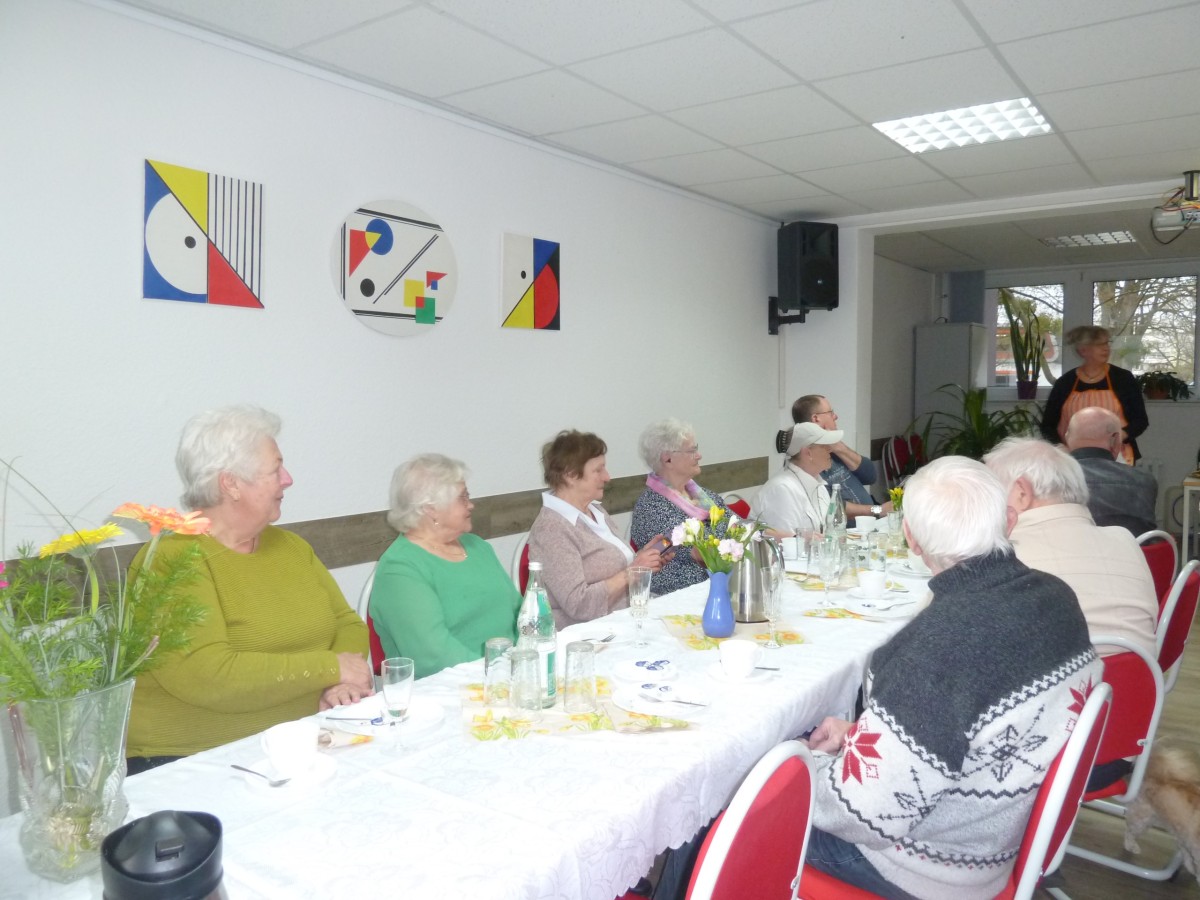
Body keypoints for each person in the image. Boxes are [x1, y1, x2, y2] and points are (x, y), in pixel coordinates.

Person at [804, 456, 1102, 899]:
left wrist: (799, 766)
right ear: (1009, 520)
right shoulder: (1057, 598)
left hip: (928, 868)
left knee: (721, 812)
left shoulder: (932, 648)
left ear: (911, 538)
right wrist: (861, 738)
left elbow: (864, 815)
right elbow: (971, 725)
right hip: (992, 839)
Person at [126, 406, 372, 774]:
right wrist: (330, 668)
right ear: (231, 484)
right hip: (196, 762)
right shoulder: (172, 558)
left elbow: (347, 623)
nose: (288, 479)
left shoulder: (291, 547)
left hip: (302, 740)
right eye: (276, 469)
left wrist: (337, 684)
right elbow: (208, 676)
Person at [983, 436, 1158, 659]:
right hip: (1140, 677)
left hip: (1051, 678)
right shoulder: (1125, 539)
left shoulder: (1001, 559)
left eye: (991, 495)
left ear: (1022, 492)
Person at [370, 454, 520, 679]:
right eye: (462, 497)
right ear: (431, 508)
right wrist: (499, 676)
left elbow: (521, 611)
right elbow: (433, 656)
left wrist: (528, 661)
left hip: (510, 675)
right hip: (452, 688)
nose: (471, 504)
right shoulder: (400, 569)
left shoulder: (477, 546)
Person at [529, 430, 669, 629]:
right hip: (587, 634)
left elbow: (612, 568)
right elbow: (578, 604)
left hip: (622, 620)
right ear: (570, 475)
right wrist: (632, 572)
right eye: (598, 470)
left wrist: (644, 558)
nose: (607, 477)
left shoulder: (595, 510)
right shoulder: (551, 529)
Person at [630, 418, 733, 596]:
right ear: (667, 459)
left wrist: (777, 537)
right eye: (692, 451)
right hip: (679, 598)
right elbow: (702, 554)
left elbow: (738, 526)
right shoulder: (652, 507)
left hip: (714, 587)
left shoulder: (701, 495)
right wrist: (743, 548)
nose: (699, 455)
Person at [1040, 325, 1148, 463]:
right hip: (1072, 459)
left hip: (1118, 457)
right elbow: (1048, 426)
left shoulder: (1123, 379)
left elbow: (1140, 420)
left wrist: (1119, 437)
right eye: (1099, 345)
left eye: (1107, 343)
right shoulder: (1065, 382)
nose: (1106, 348)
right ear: (1083, 350)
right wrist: (1061, 448)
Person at [792, 394, 890, 520]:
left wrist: (839, 447)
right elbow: (830, 505)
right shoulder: (807, 458)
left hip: (869, 523)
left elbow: (870, 476)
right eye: (830, 412)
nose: (835, 416)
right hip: (846, 529)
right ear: (816, 418)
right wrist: (878, 510)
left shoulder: (834, 449)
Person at [1064, 406, 1159, 536]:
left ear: (1067, 438)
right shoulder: (1145, 481)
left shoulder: (1049, 480)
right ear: (1115, 440)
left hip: (1070, 548)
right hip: (1129, 548)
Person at [752, 422, 842, 535]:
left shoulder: (819, 485)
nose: (830, 450)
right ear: (808, 453)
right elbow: (787, 542)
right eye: (824, 446)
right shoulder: (782, 489)